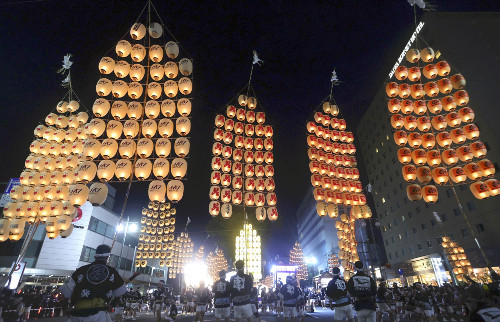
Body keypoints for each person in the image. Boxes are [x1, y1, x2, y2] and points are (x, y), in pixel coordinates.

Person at [59, 244, 128, 322]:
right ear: (108, 257)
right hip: (98, 314)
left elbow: (64, 294)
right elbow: (120, 292)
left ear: (95, 256)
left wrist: (65, 308)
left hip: (77, 314)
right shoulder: (111, 271)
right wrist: (111, 305)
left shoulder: (80, 270)